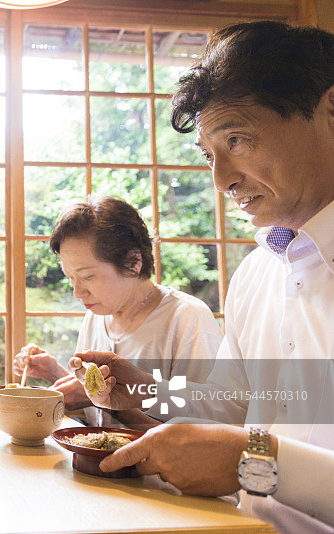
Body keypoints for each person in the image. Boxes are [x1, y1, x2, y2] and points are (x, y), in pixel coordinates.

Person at [69, 21, 334, 533]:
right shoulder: (260, 271)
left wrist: (255, 460)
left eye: (238, 139)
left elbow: (244, 444)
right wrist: (143, 393)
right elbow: (231, 403)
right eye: (210, 155)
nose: (221, 179)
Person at [13, 197, 222, 426]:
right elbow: (94, 416)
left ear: (133, 263)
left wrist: (98, 400)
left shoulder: (186, 318)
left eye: (87, 277)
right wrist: (55, 373)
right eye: (70, 277)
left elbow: (204, 434)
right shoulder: (96, 315)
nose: (77, 292)